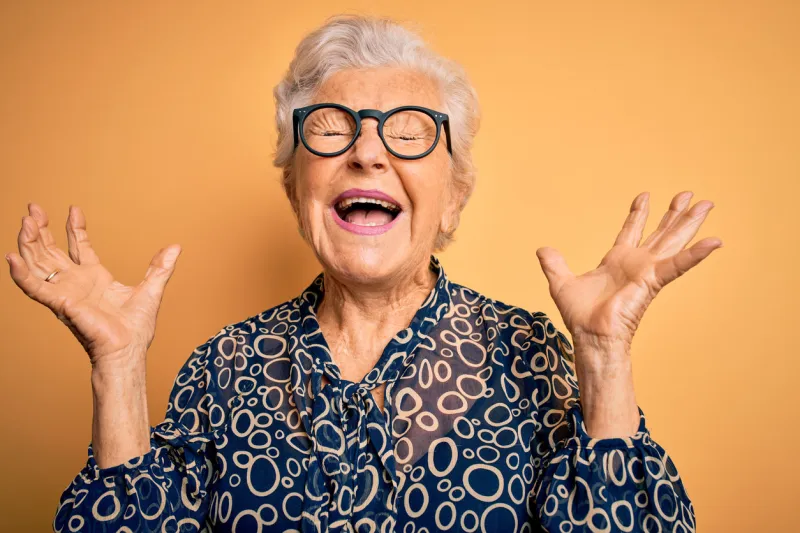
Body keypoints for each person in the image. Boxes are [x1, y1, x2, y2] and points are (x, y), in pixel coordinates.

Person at [7, 14, 720, 533]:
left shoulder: (531, 355)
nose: (368, 153)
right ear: (296, 189)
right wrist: (120, 370)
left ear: (455, 195)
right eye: (330, 128)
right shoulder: (222, 368)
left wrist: (603, 362)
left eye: (409, 131)